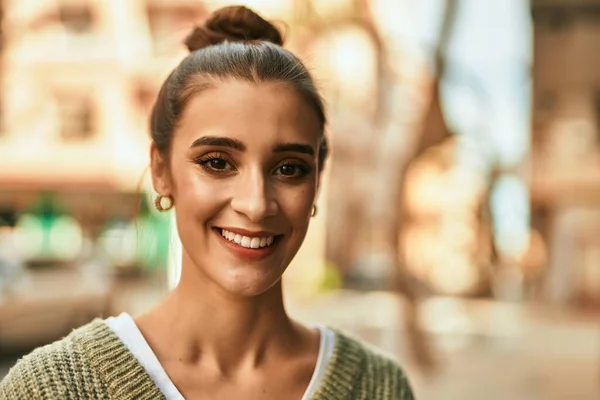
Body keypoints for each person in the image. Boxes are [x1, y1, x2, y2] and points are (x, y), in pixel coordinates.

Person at [0, 5, 414, 399]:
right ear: (161, 172)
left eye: (289, 169)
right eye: (217, 162)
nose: (256, 204)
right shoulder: (52, 389)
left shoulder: (378, 386)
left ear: (317, 183)